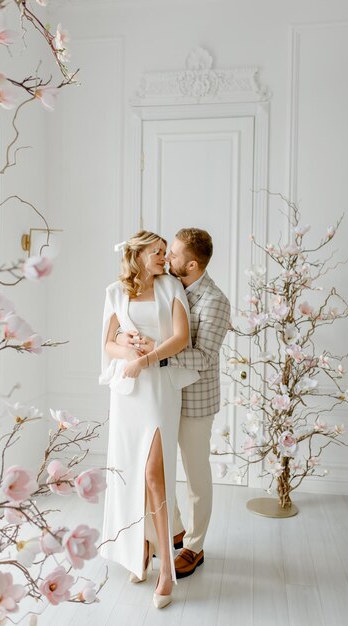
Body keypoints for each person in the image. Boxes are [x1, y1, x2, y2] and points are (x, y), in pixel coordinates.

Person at [117, 228, 230, 579]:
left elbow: (204, 356)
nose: (168, 258)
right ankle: (172, 531)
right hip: (162, 395)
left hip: (195, 400)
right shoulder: (168, 283)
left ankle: (194, 546)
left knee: (195, 476)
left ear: (192, 264)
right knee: (157, 469)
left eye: (175, 254)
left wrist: (156, 354)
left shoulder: (215, 302)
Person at [99, 230, 199, 609]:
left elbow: (181, 338)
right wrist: (125, 348)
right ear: (138, 254)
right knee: (130, 473)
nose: (164, 258)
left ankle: (167, 570)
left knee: (155, 474)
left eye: (164, 253)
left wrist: (145, 358)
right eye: (158, 252)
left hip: (158, 387)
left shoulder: (170, 287)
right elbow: (107, 345)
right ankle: (139, 547)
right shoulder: (114, 291)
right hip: (127, 391)